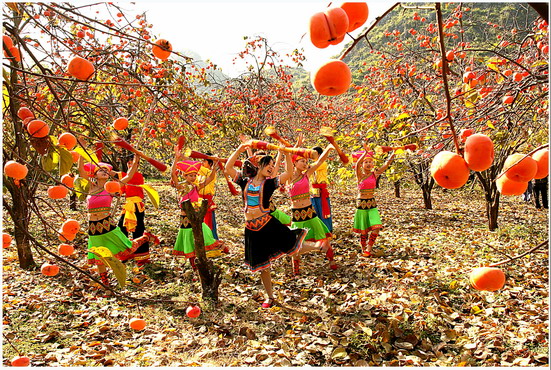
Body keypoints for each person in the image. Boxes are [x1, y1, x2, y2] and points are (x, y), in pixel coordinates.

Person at [224, 141, 323, 308]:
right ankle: (269, 297)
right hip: (252, 229)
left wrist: (285, 154)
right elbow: (228, 168)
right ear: (258, 165)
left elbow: (289, 173)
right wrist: (240, 148)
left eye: (272, 165)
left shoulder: (269, 184)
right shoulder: (244, 181)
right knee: (263, 267)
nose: (271, 167)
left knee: (293, 246)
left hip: (268, 224)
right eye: (268, 164)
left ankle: (318, 247)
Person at [78, 156, 158, 287]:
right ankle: (106, 286)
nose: (104, 171)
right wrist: (81, 154)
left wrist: (136, 159)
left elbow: (128, 177)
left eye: (106, 170)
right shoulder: (90, 188)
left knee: (127, 248)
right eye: (100, 170)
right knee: (99, 258)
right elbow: (81, 172)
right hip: (93, 227)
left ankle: (145, 237)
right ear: (95, 174)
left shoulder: (111, 187)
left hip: (107, 224)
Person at [286, 145, 338, 276]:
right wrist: (286, 151)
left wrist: (329, 148)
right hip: (297, 215)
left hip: (310, 213)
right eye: (302, 161)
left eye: (306, 161)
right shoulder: (289, 177)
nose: (305, 163)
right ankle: (296, 271)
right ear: (295, 162)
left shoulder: (307, 175)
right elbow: (287, 163)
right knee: (295, 246)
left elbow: (319, 161)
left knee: (324, 239)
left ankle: (332, 262)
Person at [170, 146, 222, 274]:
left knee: (203, 234)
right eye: (190, 176)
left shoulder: (196, 186)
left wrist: (214, 168)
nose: (193, 177)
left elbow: (209, 179)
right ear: (185, 176)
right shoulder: (182, 187)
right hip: (186, 217)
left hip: (197, 215)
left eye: (194, 175)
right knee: (189, 239)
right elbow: (172, 174)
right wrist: (176, 158)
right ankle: (193, 265)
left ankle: (201, 262)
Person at [353, 145, 395, 257]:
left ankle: (369, 248)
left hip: (372, 203)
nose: (368, 164)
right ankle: (363, 248)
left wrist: (393, 153)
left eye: (370, 162)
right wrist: (364, 153)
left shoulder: (374, 174)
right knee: (364, 230)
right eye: (365, 162)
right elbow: (357, 165)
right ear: (362, 164)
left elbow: (386, 165)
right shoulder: (360, 175)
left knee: (376, 227)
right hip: (361, 203)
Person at [117, 155, 151, 268]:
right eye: (129, 163)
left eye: (134, 164)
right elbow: (121, 189)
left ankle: (141, 256)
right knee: (121, 228)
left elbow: (130, 175)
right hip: (127, 206)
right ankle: (125, 253)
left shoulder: (138, 176)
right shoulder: (122, 175)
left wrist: (137, 160)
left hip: (137, 206)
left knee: (138, 230)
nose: (130, 165)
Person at [310, 146, 333, 234]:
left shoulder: (322, 164)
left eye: (314, 153)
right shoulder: (312, 165)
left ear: (320, 154)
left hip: (321, 192)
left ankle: (327, 231)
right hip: (313, 193)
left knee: (324, 213)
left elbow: (310, 167)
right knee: (315, 213)